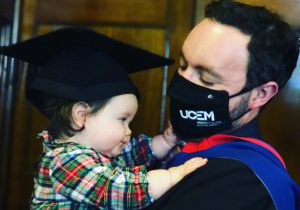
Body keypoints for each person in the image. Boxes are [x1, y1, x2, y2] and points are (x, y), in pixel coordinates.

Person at [0, 27, 207, 209]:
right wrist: (173, 176)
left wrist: (166, 140)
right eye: (122, 120)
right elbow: (115, 189)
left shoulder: (99, 155)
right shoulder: (65, 161)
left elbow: (134, 153)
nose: (129, 131)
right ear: (82, 116)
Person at [145, 0, 300, 210]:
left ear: (261, 94)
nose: (183, 84)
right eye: (183, 65)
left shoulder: (244, 185)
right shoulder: (179, 145)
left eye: (207, 79)